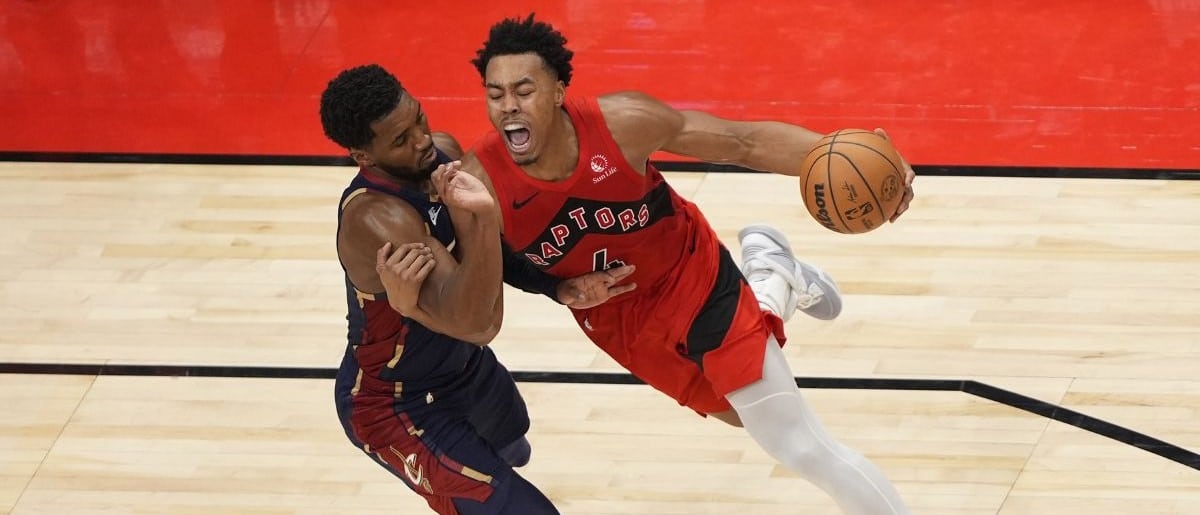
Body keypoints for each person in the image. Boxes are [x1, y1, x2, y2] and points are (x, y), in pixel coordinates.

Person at [457, 14, 917, 514]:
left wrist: (870, 162)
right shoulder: (479, 180)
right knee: (743, 415)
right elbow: (495, 262)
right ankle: (772, 276)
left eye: (523, 91)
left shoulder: (623, 123)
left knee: (798, 443)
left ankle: (764, 280)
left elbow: (743, 142)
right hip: (618, 320)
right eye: (495, 94)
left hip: (692, 276)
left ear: (558, 91)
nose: (508, 107)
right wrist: (557, 289)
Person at [319, 64, 633, 515]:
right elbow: (480, 323)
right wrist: (480, 219)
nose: (423, 140)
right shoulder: (378, 220)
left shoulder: (440, 152)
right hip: (397, 404)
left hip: (463, 369)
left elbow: (495, 254)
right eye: (400, 140)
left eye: (419, 119)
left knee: (514, 448)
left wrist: (556, 286)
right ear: (363, 156)